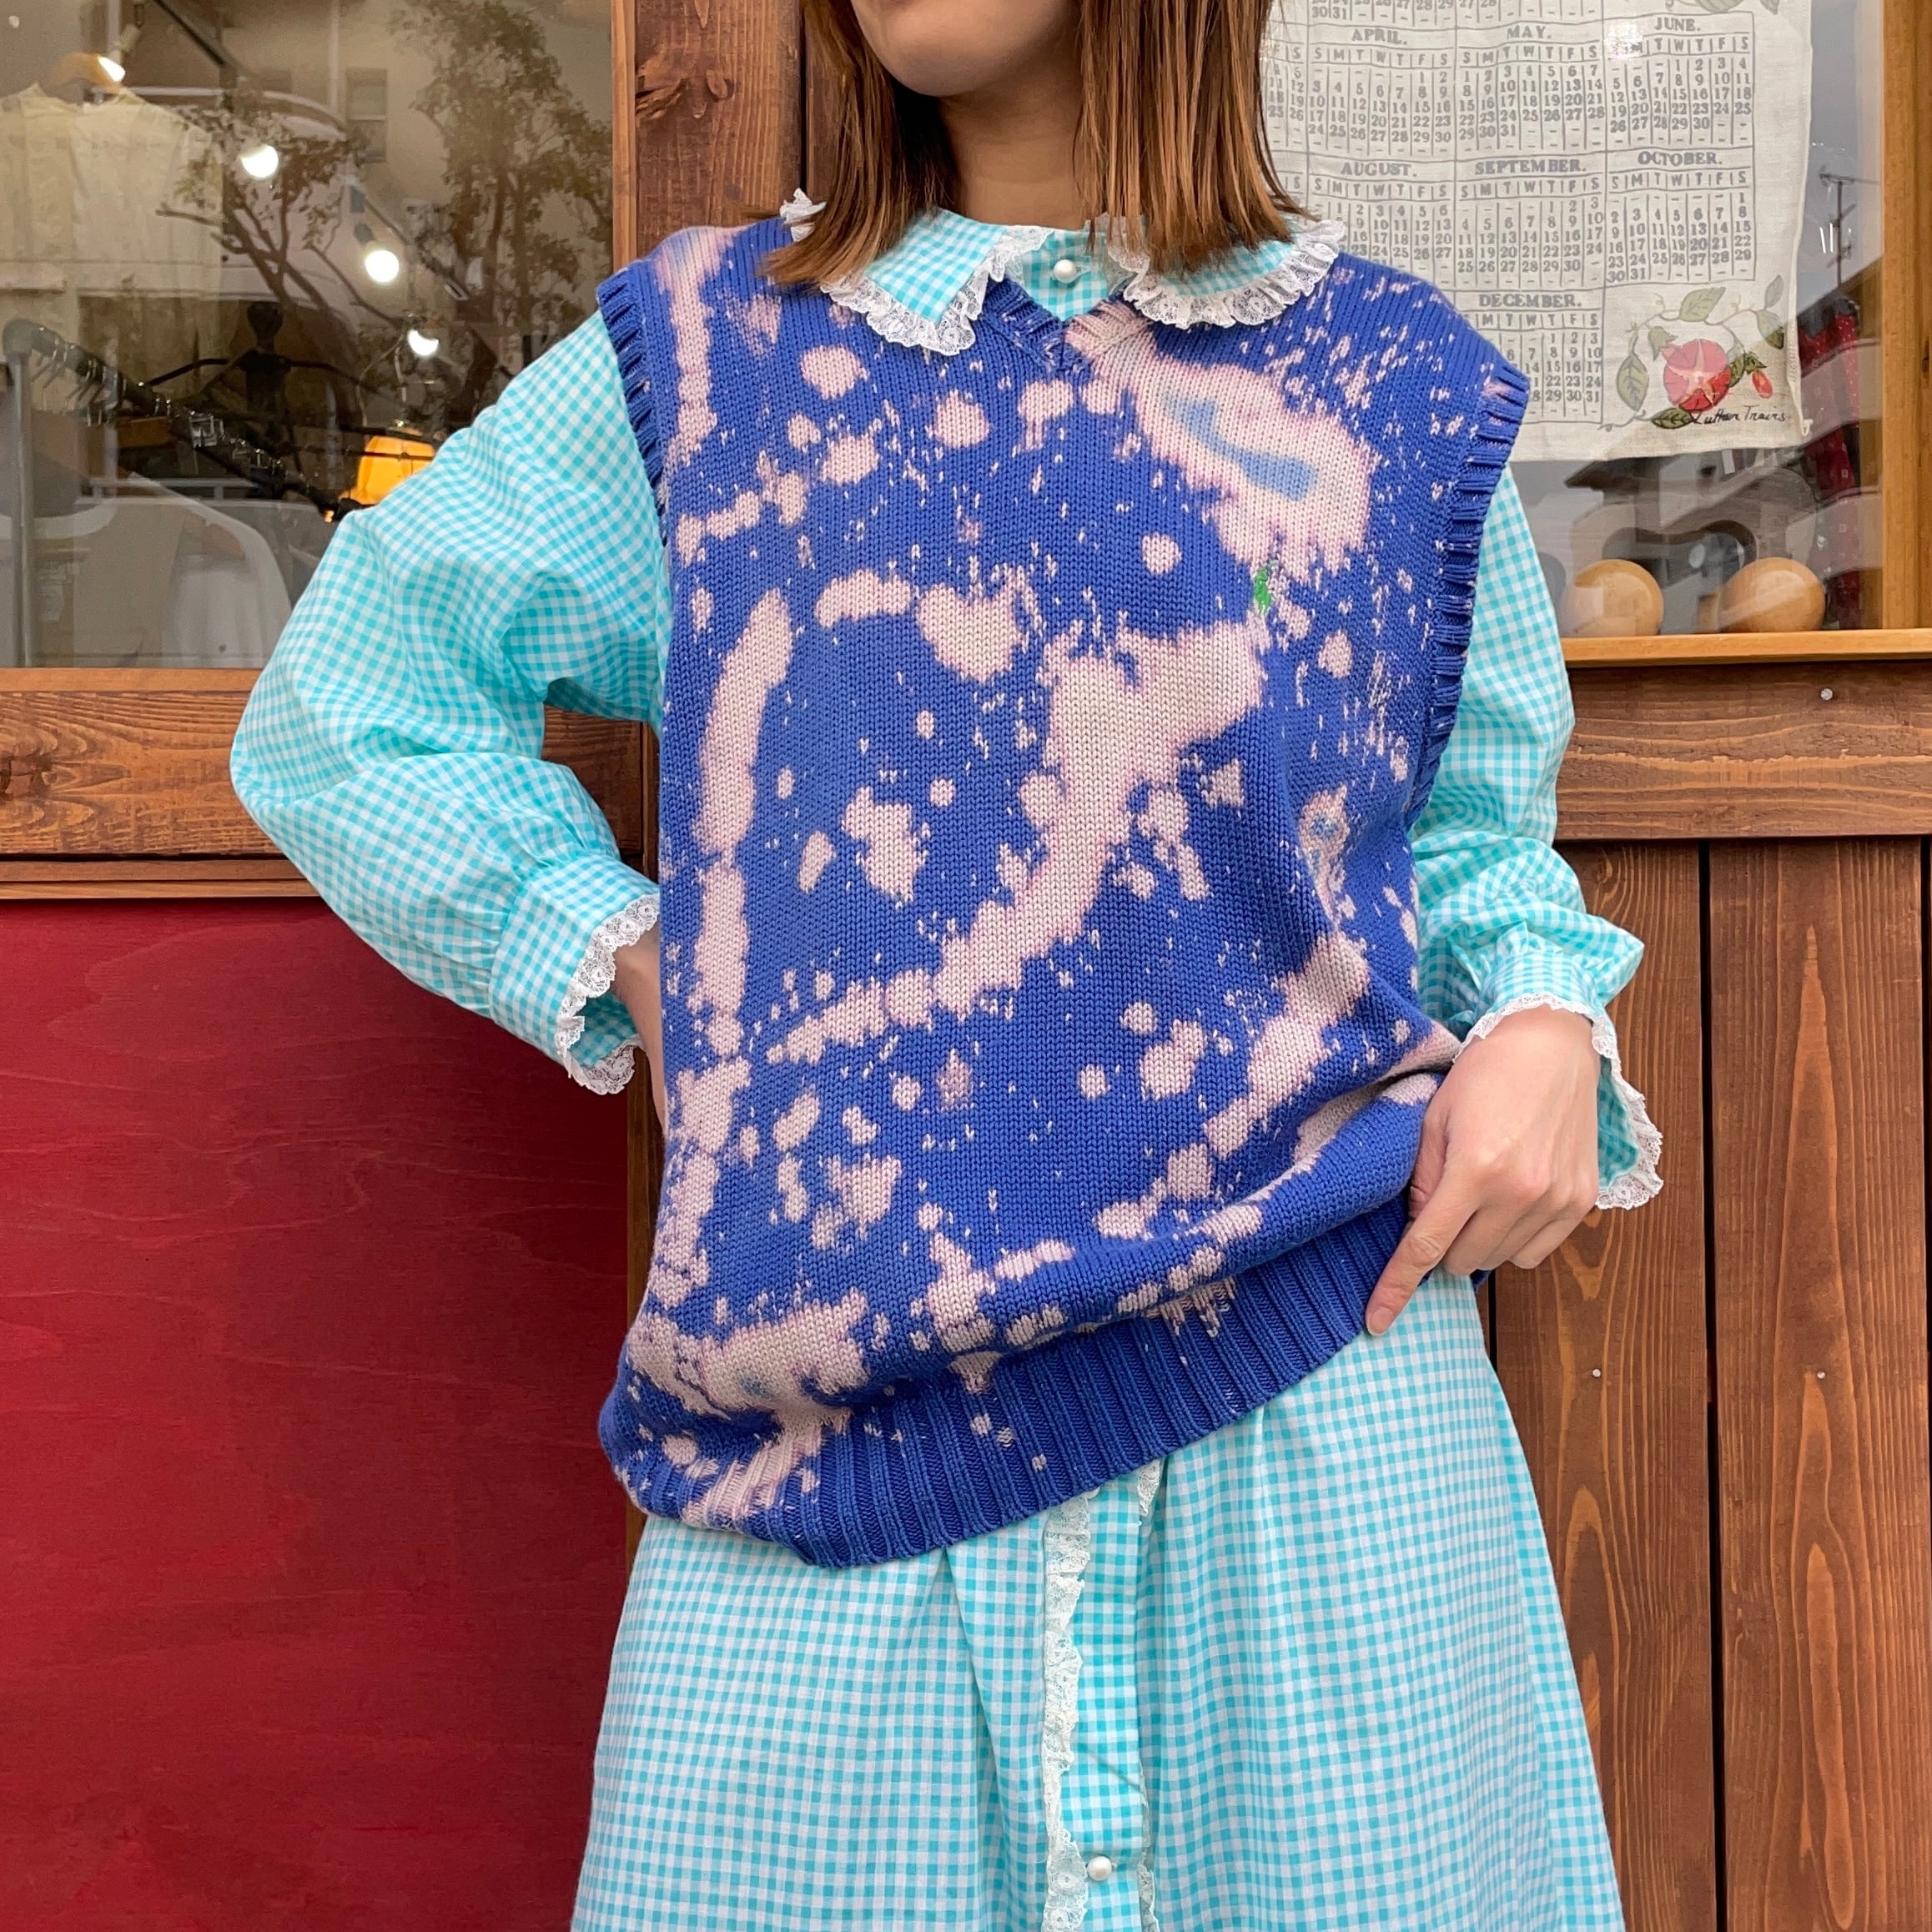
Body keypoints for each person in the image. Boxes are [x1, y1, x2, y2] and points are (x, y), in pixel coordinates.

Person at [232, 1, 1662, 1924]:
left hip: (1320, 1441)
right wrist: (629, 956)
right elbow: (353, 705)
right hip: (826, 1468)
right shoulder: (710, 358)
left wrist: (1550, 1017)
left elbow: (1466, 831)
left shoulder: (1403, 386)